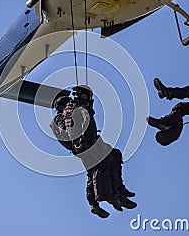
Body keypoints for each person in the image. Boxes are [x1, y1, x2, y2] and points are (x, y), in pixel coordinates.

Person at [51, 86, 136, 218]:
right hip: (87, 144)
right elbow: (82, 125)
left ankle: (111, 195)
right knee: (103, 164)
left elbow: (68, 135)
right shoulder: (77, 109)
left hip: (83, 145)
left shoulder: (70, 112)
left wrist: (76, 147)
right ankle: (109, 195)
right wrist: (82, 143)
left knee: (111, 157)